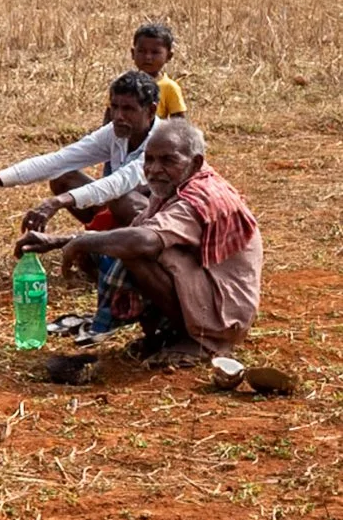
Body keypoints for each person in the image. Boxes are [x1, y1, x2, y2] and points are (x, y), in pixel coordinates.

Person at [16, 119, 258, 359]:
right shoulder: (178, 186)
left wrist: (80, 240)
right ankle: (166, 333)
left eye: (168, 160)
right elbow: (134, 229)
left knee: (137, 251)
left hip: (224, 313)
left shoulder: (196, 200)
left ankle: (200, 340)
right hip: (207, 291)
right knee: (112, 245)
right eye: (149, 159)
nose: (153, 169)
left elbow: (143, 241)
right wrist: (58, 241)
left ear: (195, 163)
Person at [0, 69, 161, 249]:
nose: (118, 116)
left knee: (124, 200)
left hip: (163, 227)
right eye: (114, 107)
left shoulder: (162, 143)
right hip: (124, 210)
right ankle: (100, 241)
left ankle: (121, 251)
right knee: (64, 177)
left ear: (151, 111)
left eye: (128, 109)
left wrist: (56, 202)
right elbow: (58, 160)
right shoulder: (116, 133)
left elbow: (117, 184)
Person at [134, 21, 188, 117]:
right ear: (132, 53)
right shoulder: (123, 85)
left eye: (155, 52)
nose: (148, 57)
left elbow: (179, 125)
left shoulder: (169, 87)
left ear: (169, 56)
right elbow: (108, 122)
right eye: (142, 51)